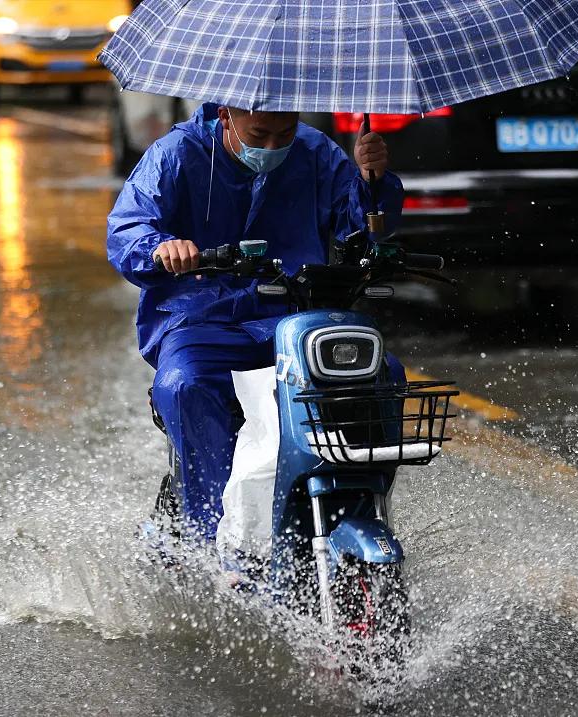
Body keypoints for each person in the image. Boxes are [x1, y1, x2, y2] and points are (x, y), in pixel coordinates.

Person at [106, 103, 403, 541]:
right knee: (188, 386)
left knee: (380, 375)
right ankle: (210, 538)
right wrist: (162, 247)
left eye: (284, 134)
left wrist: (371, 181)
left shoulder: (318, 151)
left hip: (293, 319)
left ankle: (357, 506)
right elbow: (127, 230)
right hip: (200, 321)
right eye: (259, 133)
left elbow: (362, 231)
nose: (272, 146)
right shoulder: (174, 154)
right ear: (226, 115)